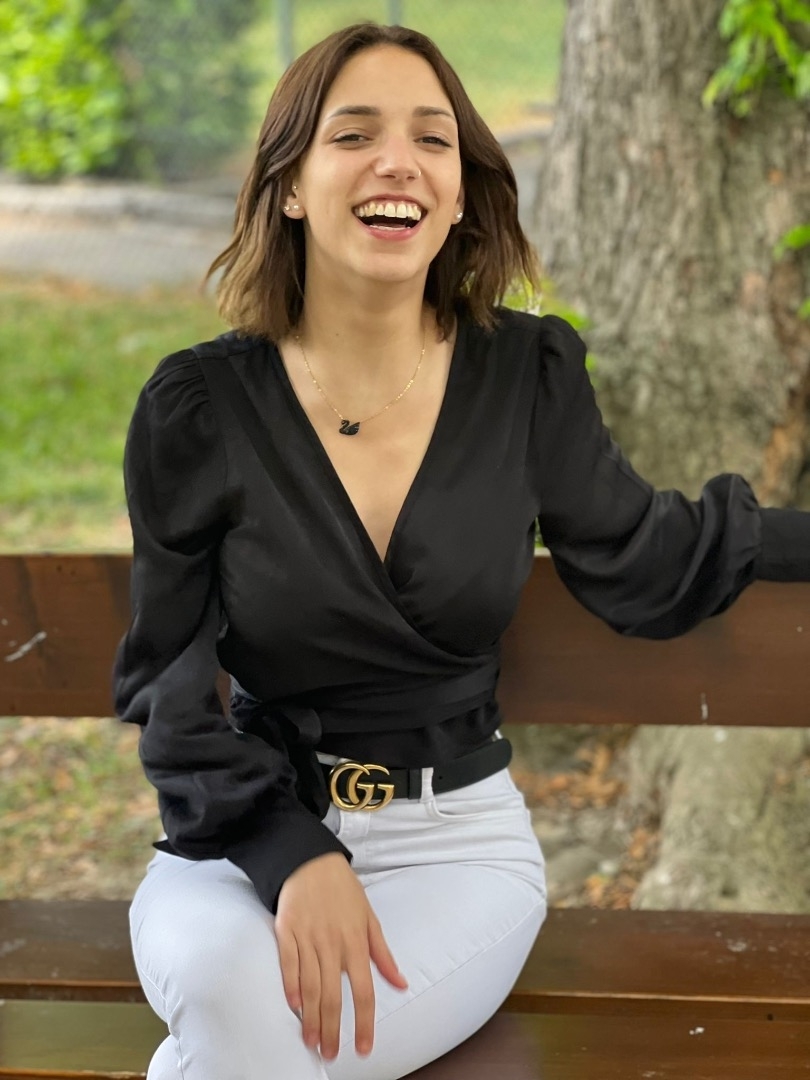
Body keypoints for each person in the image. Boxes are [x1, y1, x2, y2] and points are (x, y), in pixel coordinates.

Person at [114, 20, 810, 1080]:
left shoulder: (526, 378)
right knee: (225, 994)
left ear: (457, 193)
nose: (399, 162)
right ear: (289, 185)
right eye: (355, 134)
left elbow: (648, 552)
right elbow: (167, 686)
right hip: (242, 837)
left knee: (252, 1041)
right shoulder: (198, 408)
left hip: (455, 849)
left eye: (432, 139)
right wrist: (291, 855)